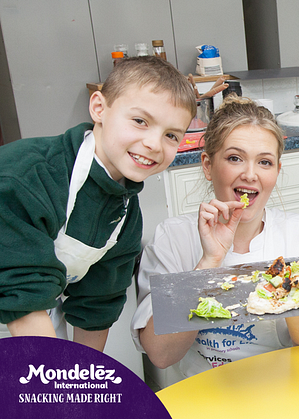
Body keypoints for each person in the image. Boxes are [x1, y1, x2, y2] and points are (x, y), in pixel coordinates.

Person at [131, 96, 299, 379]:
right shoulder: (172, 238)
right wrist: (209, 263)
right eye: (235, 158)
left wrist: (287, 285)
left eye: (265, 162)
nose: (250, 174)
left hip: (287, 393)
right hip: (202, 398)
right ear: (208, 166)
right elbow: (160, 354)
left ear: (277, 172)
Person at [0, 56, 195, 350]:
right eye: (140, 121)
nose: (154, 144)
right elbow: (23, 290)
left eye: (171, 135)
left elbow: (97, 304)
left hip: (30, 312)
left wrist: (84, 379)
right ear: (99, 108)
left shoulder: (125, 215)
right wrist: (60, 383)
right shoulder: (27, 176)